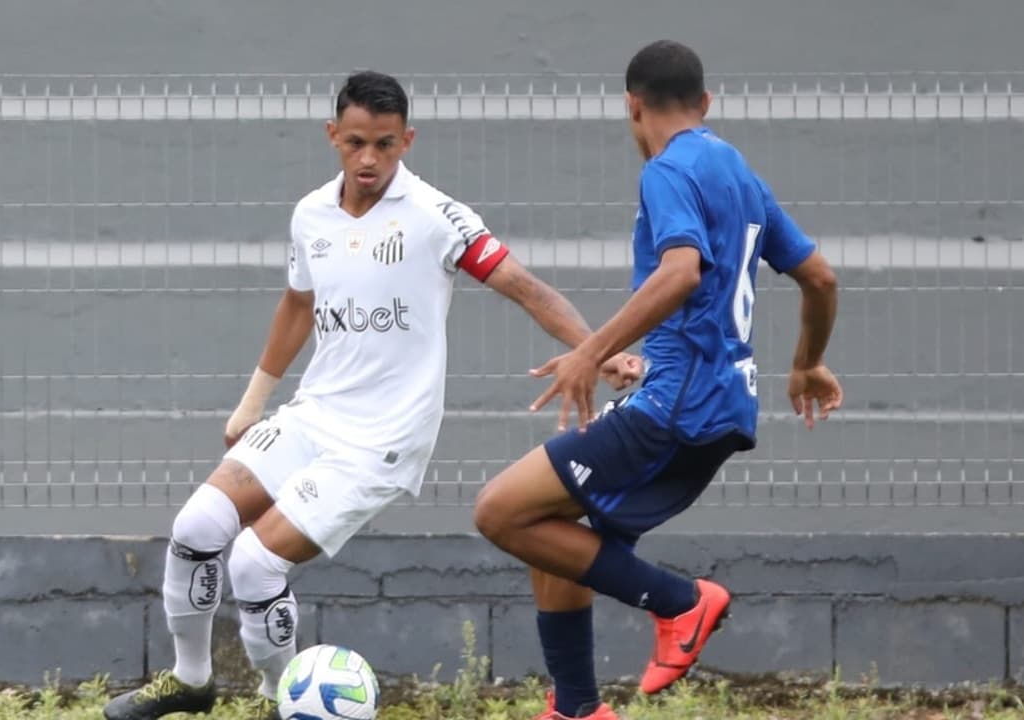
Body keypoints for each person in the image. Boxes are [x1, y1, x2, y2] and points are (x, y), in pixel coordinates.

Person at [103, 69, 640, 720]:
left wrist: (598, 351)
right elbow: (298, 307)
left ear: (406, 141)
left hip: (382, 441)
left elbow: (526, 288)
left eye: (385, 144)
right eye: (356, 142)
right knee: (195, 528)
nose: (369, 159)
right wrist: (253, 401)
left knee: (252, 566)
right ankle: (192, 681)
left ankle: (282, 701)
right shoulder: (311, 216)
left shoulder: (438, 219)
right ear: (333, 135)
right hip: (313, 415)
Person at [473, 40, 844, 720]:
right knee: (551, 525)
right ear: (704, 103)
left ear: (632, 106)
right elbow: (819, 277)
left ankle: (684, 604)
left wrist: (592, 351)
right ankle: (578, 710)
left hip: (674, 407)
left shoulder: (668, 171)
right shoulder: (737, 171)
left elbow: (681, 273)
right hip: (724, 407)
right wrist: (807, 361)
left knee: (498, 510)